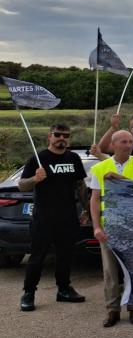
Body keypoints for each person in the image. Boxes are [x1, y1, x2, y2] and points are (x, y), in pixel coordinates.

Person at [18, 124, 88, 312]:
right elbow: (22, 186)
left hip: (67, 217)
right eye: (57, 135)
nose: (62, 138)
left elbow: (80, 185)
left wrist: (87, 210)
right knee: (37, 257)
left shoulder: (73, 158)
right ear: (50, 137)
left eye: (66, 135)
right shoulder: (38, 158)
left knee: (65, 256)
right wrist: (35, 179)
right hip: (43, 218)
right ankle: (28, 293)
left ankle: (64, 290)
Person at [88, 130, 133, 327]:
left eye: (130, 141)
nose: (128, 145)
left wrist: (118, 178)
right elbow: (95, 200)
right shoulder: (100, 168)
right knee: (110, 272)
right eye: (124, 141)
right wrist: (96, 226)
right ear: (114, 145)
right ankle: (112, 310)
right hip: (110, 224)